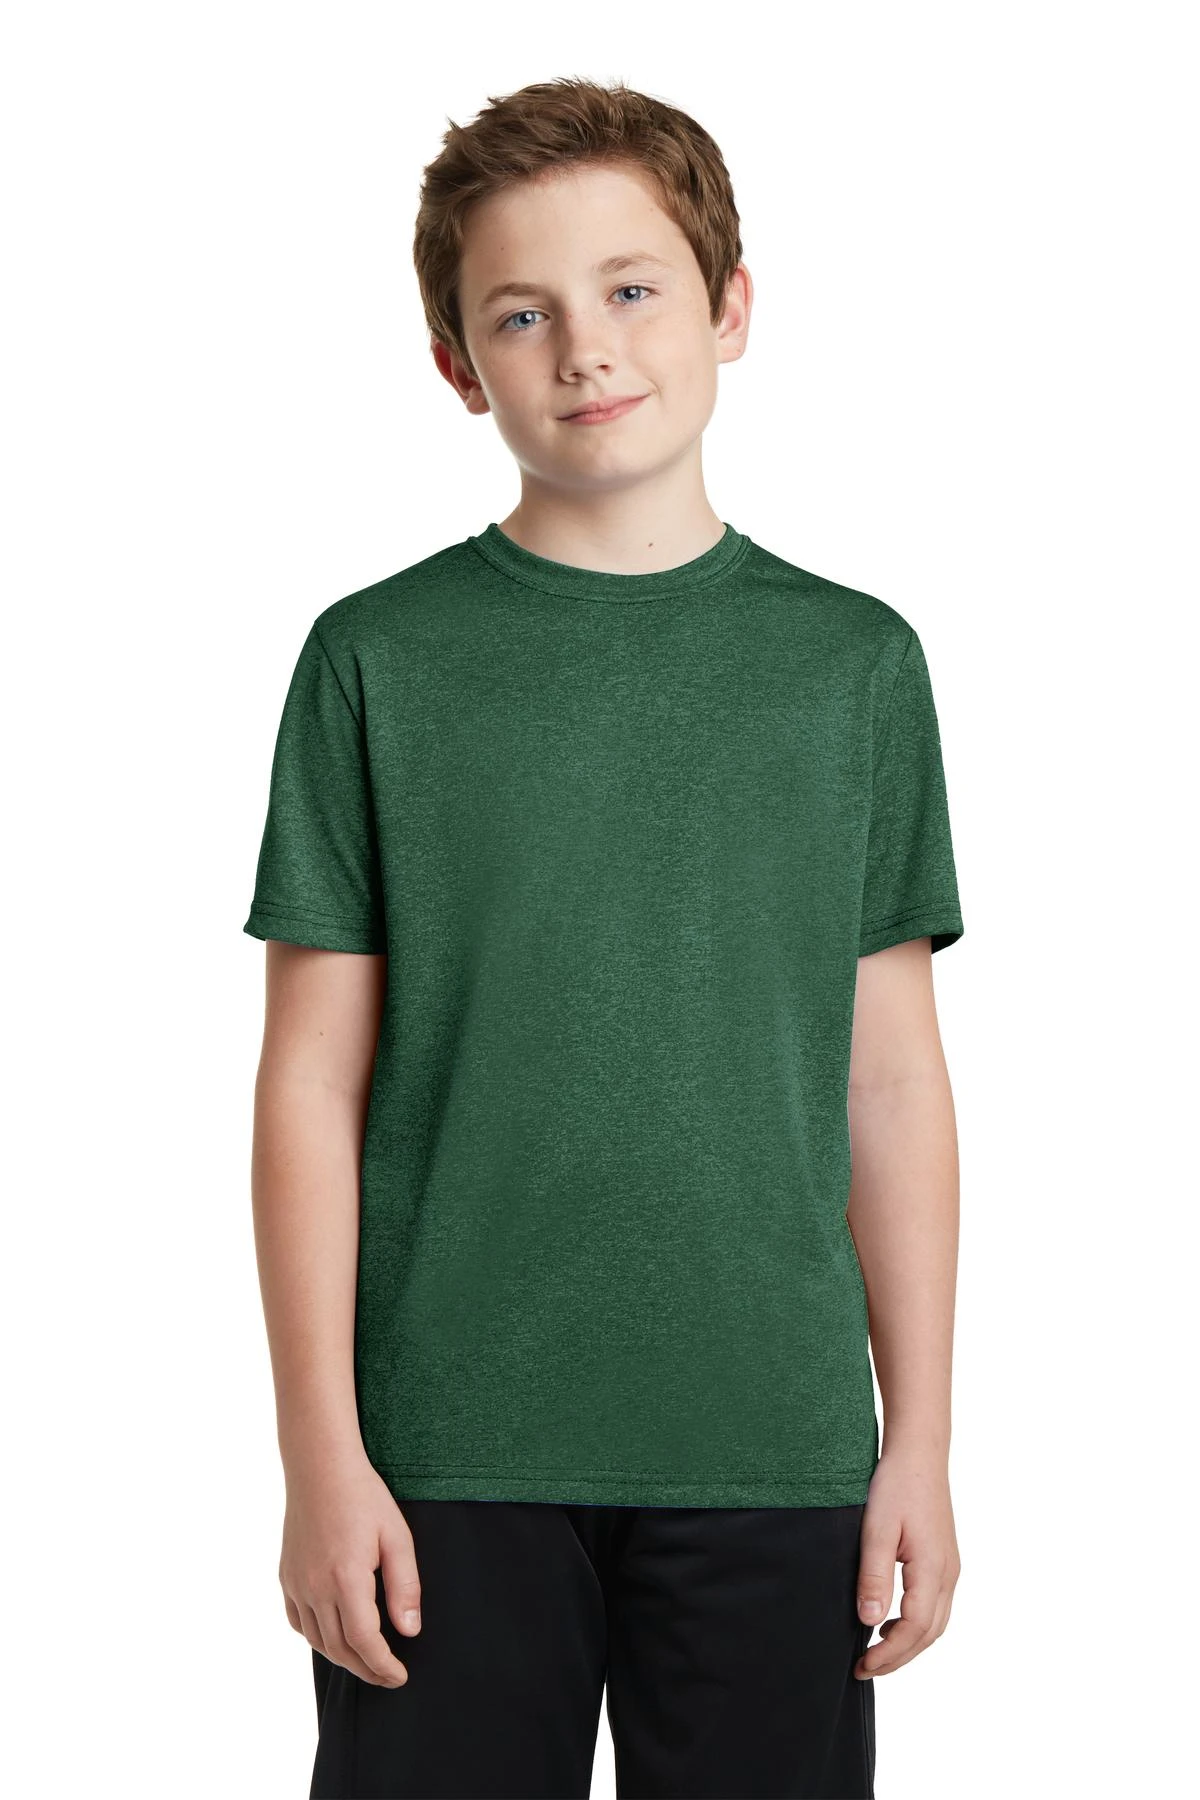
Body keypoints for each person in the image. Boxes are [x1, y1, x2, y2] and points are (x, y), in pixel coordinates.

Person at [243, 75, 965, 1800]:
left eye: (632, 289)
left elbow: (890, 1084)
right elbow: (308, 1089)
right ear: (457, 365)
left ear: (729, 307)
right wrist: (320, 1459)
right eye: (523, 313)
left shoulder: (854, 668)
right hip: (444, 1458)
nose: (585, 348)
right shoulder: (375, 661)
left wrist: (921, 1441)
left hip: (774, 1450)